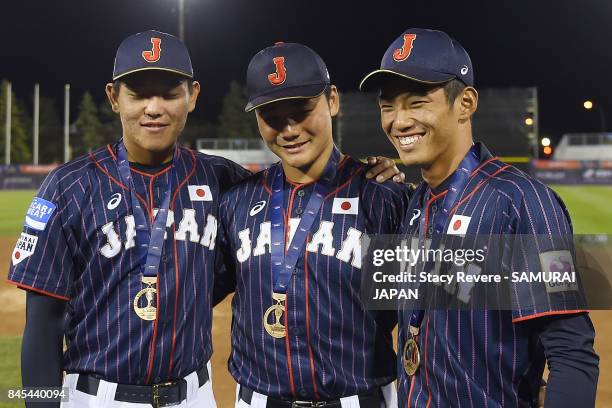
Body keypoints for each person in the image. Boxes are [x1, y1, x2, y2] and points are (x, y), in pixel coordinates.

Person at [8, 30, 403, 408]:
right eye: (139, 94)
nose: (154, 107)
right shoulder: (71, 186)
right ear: (114, 97)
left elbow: (439, 316)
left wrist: (386, 177)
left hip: (198, 396)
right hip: (97, 396)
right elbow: (42, 326)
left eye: (168, 93)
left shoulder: (229, 184)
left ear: (192, 95)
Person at [359, 28, 599, 407]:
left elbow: (572, 354)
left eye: (417, 102)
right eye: (388, 106)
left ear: (466, 103)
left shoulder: (522, 202)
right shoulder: (413, 205)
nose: (399, 121)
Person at [215, 41, 412, 408]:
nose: (289, 129)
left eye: (302, 111)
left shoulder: (384, 198)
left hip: (360, 399)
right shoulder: (236, 203)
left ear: (332, 101)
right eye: (272, 116)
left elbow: (458, 295)